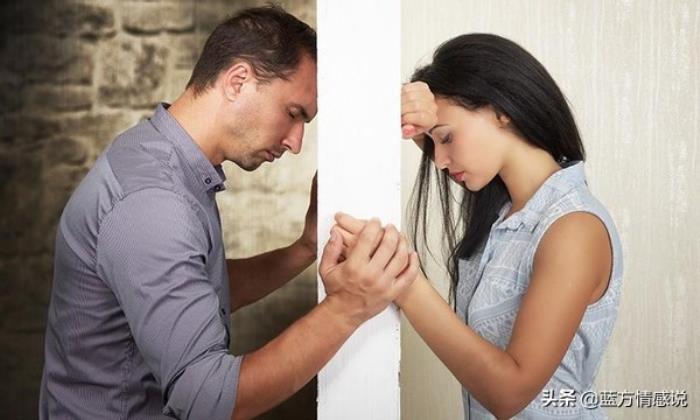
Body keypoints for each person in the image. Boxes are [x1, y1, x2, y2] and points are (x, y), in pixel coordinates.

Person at [39, 6, 419, 420]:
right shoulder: (154, 202)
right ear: (238, 81)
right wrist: (348, 307)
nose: (295, 142)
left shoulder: (160, 158)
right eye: (293, 114)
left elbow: (189, 291)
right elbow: (207, 399)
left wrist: (305, 248)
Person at [335, 33, 623, 419]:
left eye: (446, 138)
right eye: (432, 143)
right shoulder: (505, 218)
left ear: (501, 110)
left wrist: (403, 280)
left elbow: (510, 393)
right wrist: (401, 105)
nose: (438, 161)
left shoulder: (573, 228)